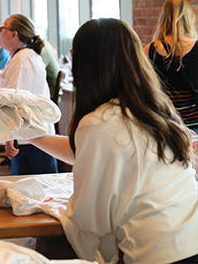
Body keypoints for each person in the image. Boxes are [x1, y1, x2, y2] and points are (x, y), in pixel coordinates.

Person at [28, 18, 198, 263]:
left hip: (158, 253)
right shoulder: (155, 111)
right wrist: (33, 136)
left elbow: (90, 221)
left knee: (49, 244)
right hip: (189, 238)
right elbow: (82, 151)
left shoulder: (100, 122)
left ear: (88, 64)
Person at [0, 14, 57, 175]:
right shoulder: (23, 56)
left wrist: (9, 137)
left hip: (29, 139)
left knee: (31, 195)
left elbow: (16, 101)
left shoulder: (23, 59)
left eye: (2, 28)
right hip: (30, 136)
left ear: (14, 34)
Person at [144, 0, 198, 133]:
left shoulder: (150, 50)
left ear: (164, 17)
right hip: (195, 126)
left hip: (165, 126)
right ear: (189, 17)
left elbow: (146, 90)